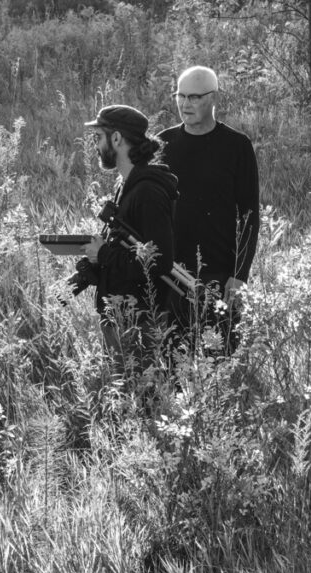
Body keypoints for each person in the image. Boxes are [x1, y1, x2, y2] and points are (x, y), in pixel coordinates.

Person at [159, 65, 260, 354]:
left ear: (214, 97)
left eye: (194, 97)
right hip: (172, 274)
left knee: (220, 359)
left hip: (220, 274)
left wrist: (239, 275)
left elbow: (250, 216)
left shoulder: (237, 146)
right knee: (173, 359)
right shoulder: (163, 144)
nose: (185, 104)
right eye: (180, 96)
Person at [79, 104, 178, 377]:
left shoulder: (148, 192)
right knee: (125, 394)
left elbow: (159, 260)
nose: (96, 146)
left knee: (141, 396)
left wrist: (104, 255)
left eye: (98, 137)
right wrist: (97, 264)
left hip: (140, 322)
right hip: (122, 318)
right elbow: (130, 249)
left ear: (116, 138)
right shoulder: (126, 184)